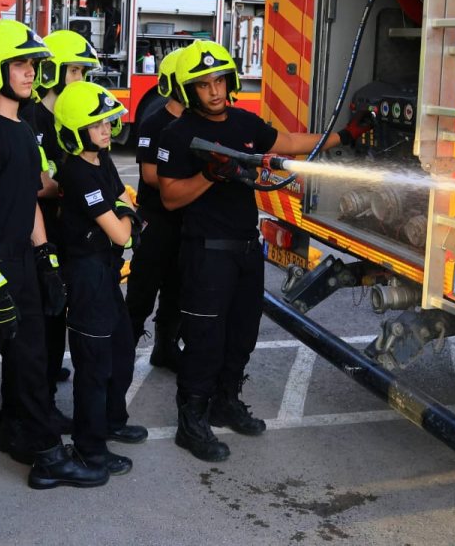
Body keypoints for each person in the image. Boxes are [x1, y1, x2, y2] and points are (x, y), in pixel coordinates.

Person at [157, 40, 371, 463]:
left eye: (220, 81)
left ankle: (225, 402)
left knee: (242, 334)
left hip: (245, 250)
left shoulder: (242, 123)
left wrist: (344, 136)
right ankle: (191, 422)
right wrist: (210, 175)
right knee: (205, 340)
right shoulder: (177, 134)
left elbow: (288, 141)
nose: (215, 91)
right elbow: (169, 197)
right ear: (189, 90)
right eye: (204, 85)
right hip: (206, 254)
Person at [0, 19, 108, 533]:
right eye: (20, 64)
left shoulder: (27, 127)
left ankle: (42, 451)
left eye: (33, 64)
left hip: (23, 262)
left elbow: (29, 198)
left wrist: (45, 255)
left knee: (32, 364)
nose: (31, 72)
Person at [53, 80, 149, 475]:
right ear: (77, 131)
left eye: (108, 122)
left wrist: (124, 213)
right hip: (86, 275)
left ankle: (112, 421)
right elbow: (123, 232)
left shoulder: (101, 161)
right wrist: (127, 216)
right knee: (93, 366)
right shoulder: (77, 172)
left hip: (105, 272)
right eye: (97, 124)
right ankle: (89, 448)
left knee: (121, 350)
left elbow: (125, 203)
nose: (107, 129)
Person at [21, 29, 101, 432]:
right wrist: (70, 184)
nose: (80, 80)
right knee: (45, 316)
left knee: (59, 310)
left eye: (84, 72)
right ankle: (40, 400)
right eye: (74, 71)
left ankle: (50, 375)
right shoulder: (32, 119)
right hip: (40, 233)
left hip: (68, 231)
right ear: (52, 72)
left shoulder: (73, 117)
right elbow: (37, 185)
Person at [126, 47, 187, 370]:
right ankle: (124, 350)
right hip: (156, 220)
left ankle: (165, 347)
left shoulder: (196, 122)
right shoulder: (154, 123)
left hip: (185, 221)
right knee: (142, 290)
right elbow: (150, 175)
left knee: (177, 290)